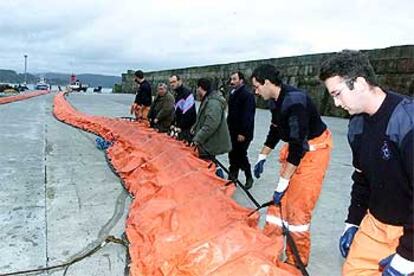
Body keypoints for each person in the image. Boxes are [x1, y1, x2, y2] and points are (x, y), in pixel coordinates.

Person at [319, 50, 413, 276]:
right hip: (375, 224)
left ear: (359, 83)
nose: (335, 103)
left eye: (338, 94)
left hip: (408, 229)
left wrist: (407, 257)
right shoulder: (357, 127)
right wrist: (352, 222)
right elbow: (362, 179)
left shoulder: (407, 121)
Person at [251, 64, 333, 267]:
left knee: (297, 211)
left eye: (257, 86)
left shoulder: (295, 103)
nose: (256, 91)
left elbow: (297, 148)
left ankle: (296, 261)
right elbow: (276, 129)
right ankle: (268, 249)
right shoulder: (275, 101)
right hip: (297, 148)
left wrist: (282, 183)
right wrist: (263, 155)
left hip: (314, 152)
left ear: (267, 83)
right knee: (278, 207)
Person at [192, 78, 231, 177]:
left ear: (200, 88)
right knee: (210, 162)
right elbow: (202, 119)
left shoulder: (213, 103)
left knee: (209, 163)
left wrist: (198, 138)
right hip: (208, 140)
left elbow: (211, 124)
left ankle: (220, 183)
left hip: (210, 141)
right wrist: (195, 128)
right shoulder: (207, 99)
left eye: (197, 88)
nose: (196, 91)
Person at [227, 71, 256, 189]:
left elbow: (248, 116)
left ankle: (249, 176)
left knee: (241, 155)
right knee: (232, 154)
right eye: (231, 79)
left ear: (241, 80)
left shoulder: (247, 95)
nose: (232, 82)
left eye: (234, 79)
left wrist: (243, 133)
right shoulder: (233, 93)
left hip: (242, 133)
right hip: (232, 131)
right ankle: (233, 176)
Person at [169, 75, 197, 142]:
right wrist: (173, 124)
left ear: (179, 81)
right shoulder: (177, 94)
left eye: (174, 82)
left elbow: (189, 114)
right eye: (170, 82)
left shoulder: (187, 94)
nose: (172, 84)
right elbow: (176, 111)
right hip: (179, 128)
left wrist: (180, 127)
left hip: (186, 129)